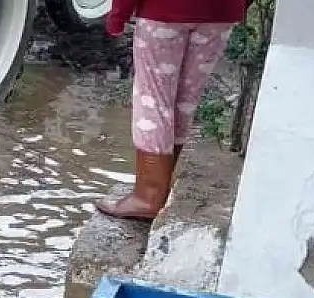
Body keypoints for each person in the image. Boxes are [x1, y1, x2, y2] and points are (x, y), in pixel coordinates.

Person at [97, 0, 252, 221]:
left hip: (163, 12)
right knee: (186, 100)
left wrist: (117, 17)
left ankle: (148, 196)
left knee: (153, 100)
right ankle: (162, 187)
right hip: (221, 15)